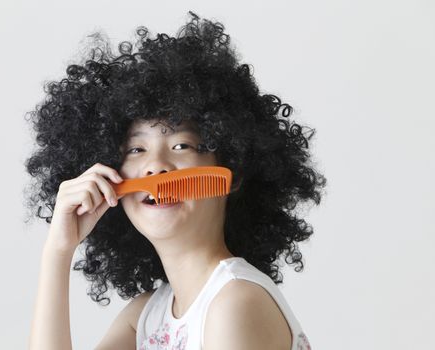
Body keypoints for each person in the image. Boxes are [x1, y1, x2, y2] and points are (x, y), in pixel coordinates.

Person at [25, 11, 325, 350]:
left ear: (233, 173)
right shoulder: (145, 317)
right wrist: (58, 252)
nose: (156, 166)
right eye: (136, 149)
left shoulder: (235, 301)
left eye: (180, 145)